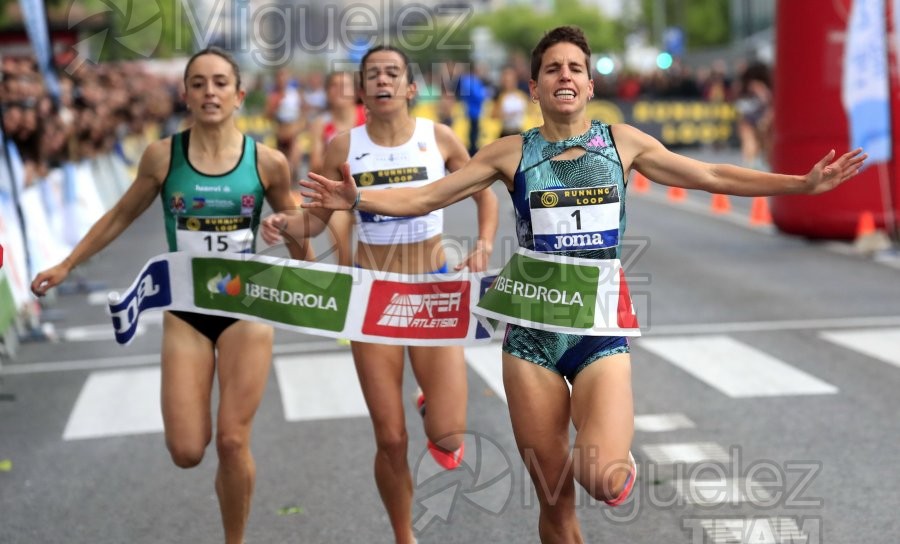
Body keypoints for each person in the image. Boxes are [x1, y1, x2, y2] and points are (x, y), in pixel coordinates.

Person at [297, 26, 867, 543]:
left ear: (590, 85)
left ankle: (613, 461)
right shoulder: (511, 153)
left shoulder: (623, 144)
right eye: (552, 69)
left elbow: (713, 174)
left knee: (601, 474)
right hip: (531, 339)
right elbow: (425, 197)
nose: (564, 76)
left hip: (598, 333)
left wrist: (799, 184)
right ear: (536, 88)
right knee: (555, 500)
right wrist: (359, 199)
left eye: (574, 68)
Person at [31, 47, 311, 544]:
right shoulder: (163, 156)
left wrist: (286, 230)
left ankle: (235, 540)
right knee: (187, 450)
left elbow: (299, 234)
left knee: (231, 440)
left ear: (239, 94)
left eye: (220, 83)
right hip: (186, 310)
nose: (210, 92)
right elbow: (120, 215)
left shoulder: (268, 162)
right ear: (184, 94)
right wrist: (66, 264)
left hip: (246, 308)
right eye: (199, 83)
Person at [261, 45, 499, 544]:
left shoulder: (438, 138)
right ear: (362, 89)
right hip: (373, 297)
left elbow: (485, 190)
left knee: (449, 436)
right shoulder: (343, 147)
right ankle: (403, 536)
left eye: (393, 73)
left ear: (411, 88)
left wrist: (483, 245)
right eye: (373, 75)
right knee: (390, 438)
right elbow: (316, 221)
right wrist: (285, 225)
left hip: (432, 291)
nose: (384, 81)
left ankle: (428, 402)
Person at [306, 70, 367, 268]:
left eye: (345, 85)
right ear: (327, 92)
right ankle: (349, 282)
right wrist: (338, 152)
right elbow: (316, 164)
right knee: (342, 253)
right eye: (334, 86)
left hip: (368, 193)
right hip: (338, 196)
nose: (339, 90)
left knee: (372, 254)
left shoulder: (367, 115)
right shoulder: (320, 124)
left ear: (356, 91)